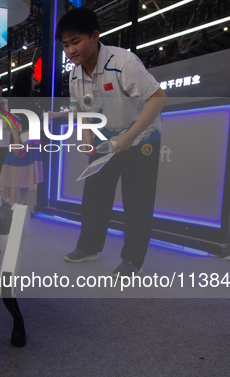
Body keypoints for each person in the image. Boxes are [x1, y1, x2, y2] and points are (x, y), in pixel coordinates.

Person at [57, 7, 167, 278]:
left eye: (76, 42)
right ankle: (89, 247)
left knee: (137, 200)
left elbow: (158, 98)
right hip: (105, 140)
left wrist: (129, 137)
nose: (71, 50)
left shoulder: (123, 62)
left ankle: (133, 260)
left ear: (95, 36)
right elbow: (82, 111)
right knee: (94, 196)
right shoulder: (74, 75)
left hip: (141, 137)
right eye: (66, 45)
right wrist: (86, 141)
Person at [0, 67, 44, 205]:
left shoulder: (28, 100)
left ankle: (22, 206)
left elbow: (41, 114)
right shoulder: (17, 99)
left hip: (29, 141)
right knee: (16, 176)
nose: (34, 82)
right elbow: (14, 121)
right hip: (20, 142)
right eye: (32, 79)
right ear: (25, 80)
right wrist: (17, 142)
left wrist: (63, 114)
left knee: (26, 176)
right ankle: (13, 207)